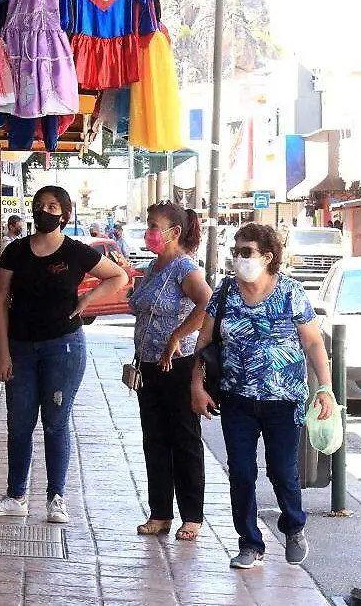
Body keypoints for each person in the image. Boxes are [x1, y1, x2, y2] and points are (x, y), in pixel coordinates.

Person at [0, 186, 129, 523]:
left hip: (63, 347)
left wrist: (87, 301)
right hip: (19, 348)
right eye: (39, 205)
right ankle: (16, 495)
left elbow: (118, 276)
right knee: (18, 424)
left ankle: (56, 498)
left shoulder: (76, 252)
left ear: (65, 212)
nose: (44, 211)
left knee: (56, 423)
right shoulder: (15, 251)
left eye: (52, 206)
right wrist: (2, 352)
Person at [190, 224, 335, 570]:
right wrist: (196, 384)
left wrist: (326, 388)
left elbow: (313, 343)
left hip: (283, 400)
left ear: (268, 257)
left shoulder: (290, 292)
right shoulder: (225, 291)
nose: (238, 257)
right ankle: (249, 542)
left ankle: (294, 525)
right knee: (241, 472)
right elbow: (205, 341)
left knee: (283, 471)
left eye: (247, 252)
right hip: (236, 397)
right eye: (236, 251)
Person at [129, 202, 213, 541]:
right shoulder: (153, 266)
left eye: (154, 225)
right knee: (155, 439)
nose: (149, 230)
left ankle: (192, 515)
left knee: (184, 437)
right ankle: (160, 512)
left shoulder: (183, 267)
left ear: (174, 232)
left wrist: (178, 336)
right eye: (148, 223)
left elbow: (207, 302)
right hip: (148, 364)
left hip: (177, 364)